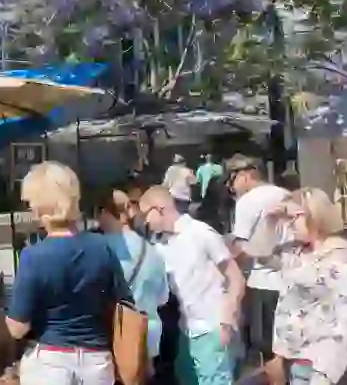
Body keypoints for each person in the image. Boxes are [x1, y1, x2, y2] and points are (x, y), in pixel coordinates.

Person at [6, 162, 131, 385]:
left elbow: (17, 327)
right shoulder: (102, 247)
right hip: (97, 363)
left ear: (42, 207)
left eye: (31, 202)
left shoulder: (33, 257)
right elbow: (124, 304)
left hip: (49, 363)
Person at [261, 189, 347, 385]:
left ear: (314, 215)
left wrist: (325, 376)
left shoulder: (341, 258)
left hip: (323, 368)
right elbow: (259, 253)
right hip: (293, 362)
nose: (289, 225)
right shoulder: (296, 252)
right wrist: (270, 221)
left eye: (294, 218)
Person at [138, 186, 245, 385]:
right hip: (186, 330)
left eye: (146, 214)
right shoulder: (159, 246)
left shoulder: (200, 233)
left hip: (212, 325)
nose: (145, 221)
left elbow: (235, 278)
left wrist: (226, 321)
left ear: (160, 208)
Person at [95, 189, 170, 376]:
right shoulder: (153, 251)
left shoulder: (99, 249)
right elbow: (163, 298)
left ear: (104, 213)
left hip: (117, 337)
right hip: (149, 336)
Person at [225, 154, 290, 372]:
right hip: (289, 277)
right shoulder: (285, 194)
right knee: (287, 345)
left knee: (268, 348)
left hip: (264, 282)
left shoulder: (249, 201)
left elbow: (240, 247)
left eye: (232, 178)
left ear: (246, 175)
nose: (230, 185)